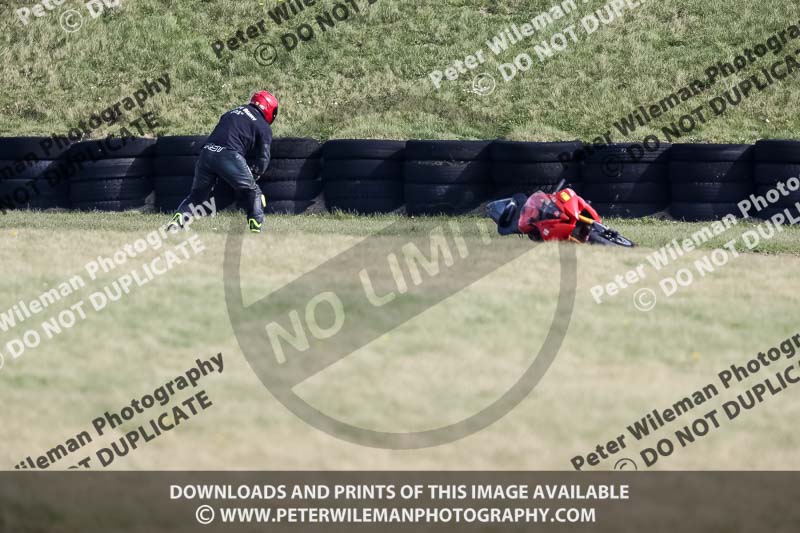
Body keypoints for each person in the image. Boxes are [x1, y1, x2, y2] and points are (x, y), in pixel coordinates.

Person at [171, 90, 279, 233]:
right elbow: (264, 157)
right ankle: (256, 228)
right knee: (253, 191)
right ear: (269, 108)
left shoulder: (231, 112)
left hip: (206, 153)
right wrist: (257, 173)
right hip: (229, 155)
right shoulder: (263, 126)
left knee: (197, 196)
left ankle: (177, 221)